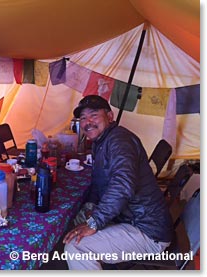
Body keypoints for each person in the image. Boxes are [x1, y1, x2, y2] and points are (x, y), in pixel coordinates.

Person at [63, 95, 173, 270]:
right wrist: (90, 205)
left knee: (76, 247)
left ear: (110, 116)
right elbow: (99, 181)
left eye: (93, 115)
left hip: (147, 231)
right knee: (74, 222)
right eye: (83, 118)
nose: (87, 122)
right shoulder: (102, 141)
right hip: (131, 218)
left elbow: (122, 185)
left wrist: (95, 222)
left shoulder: (120, 141)